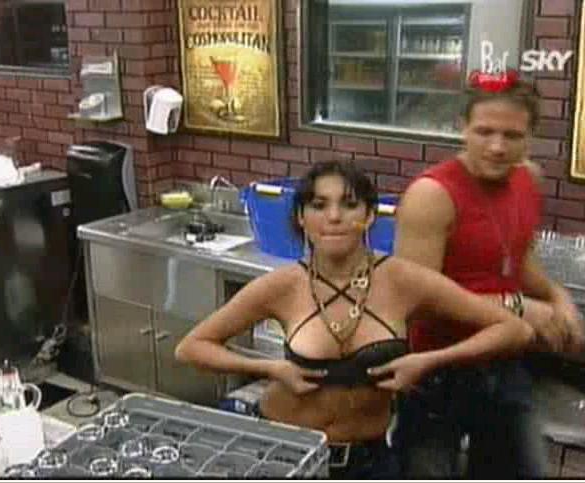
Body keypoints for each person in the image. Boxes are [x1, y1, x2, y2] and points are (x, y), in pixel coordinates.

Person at [175, 161, 535, 479]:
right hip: (286, 453)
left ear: (370, 215)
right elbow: (191, 348)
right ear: (301, 217)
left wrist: (427, 361)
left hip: (368, 461)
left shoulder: (402, 280)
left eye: (349, 204)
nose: (334, 217)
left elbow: (514, 330)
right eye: (319, 205)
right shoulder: (282, 286)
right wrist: (270, 368)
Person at [393, 72, 585, 478]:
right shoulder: (432, 195)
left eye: (512, 135)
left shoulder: (527, 179)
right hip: (437, 370)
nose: (497, 147)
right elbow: (415, 304)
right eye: (484, 132)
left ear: (530, 137)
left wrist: (558, 297)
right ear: (462, 127)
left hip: (505, 361)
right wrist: (515, 307)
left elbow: (518, 260)